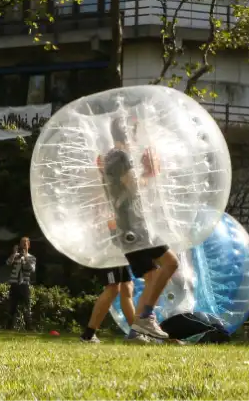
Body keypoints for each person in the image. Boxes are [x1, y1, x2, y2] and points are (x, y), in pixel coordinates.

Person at [97, 116, 180, 342]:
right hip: (134, 227)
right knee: (171, 263)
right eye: (134, 131)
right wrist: (149, 173)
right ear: (127, 134)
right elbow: (133, 188)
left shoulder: (110, 158)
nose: (136, 136)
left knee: (152, 277)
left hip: (129, 227)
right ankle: (145, 318)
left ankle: (137, 331)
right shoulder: (121, 156)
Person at [80, 266, 135, 343]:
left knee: (127, 286)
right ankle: (88, 335)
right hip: (110, 256)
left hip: (120, 257)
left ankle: (136, 332)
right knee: (113, 288)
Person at [7, 237, 37, 331]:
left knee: (26, 307)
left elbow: (32, 269)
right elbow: (8, 263)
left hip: (24, 284)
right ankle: (9, 327)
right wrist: (14, 253)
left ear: (29, 245)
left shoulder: (32, 257)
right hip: (14, 284)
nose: (23, 245)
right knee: (12, 306)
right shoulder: (15, 256)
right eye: (22, 244)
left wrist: (26, 257)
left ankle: (29, 327)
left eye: (25, 244)